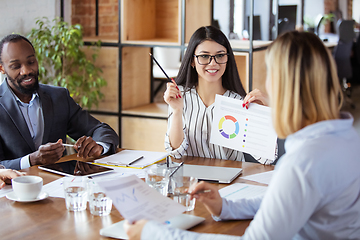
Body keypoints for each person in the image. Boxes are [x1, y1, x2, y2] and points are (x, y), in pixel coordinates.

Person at [125, 31, 360, 239]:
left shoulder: (303, 163)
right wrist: (227, 207)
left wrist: (152, 233)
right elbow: (285, 199)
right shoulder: (348, 139)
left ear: (283, 86)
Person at [0, 34, 119, 170]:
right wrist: (32, 160)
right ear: (2, 68)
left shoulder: (58, 97)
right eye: (16, 66)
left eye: (31, 62)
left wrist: (99, 146)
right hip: (15, 188)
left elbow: (101, 129)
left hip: (60, 185)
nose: (26, 71)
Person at [163, 26, 274, 164]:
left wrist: (267, 109)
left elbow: (267, 159)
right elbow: (175, 152)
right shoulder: (179, 97)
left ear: (227, 59)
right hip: (190, 180)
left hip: (231, 182)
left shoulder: (239, 102)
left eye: (220, 55)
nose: (213, 63)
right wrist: (177, 110)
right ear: (192, 60)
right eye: (204, 56)